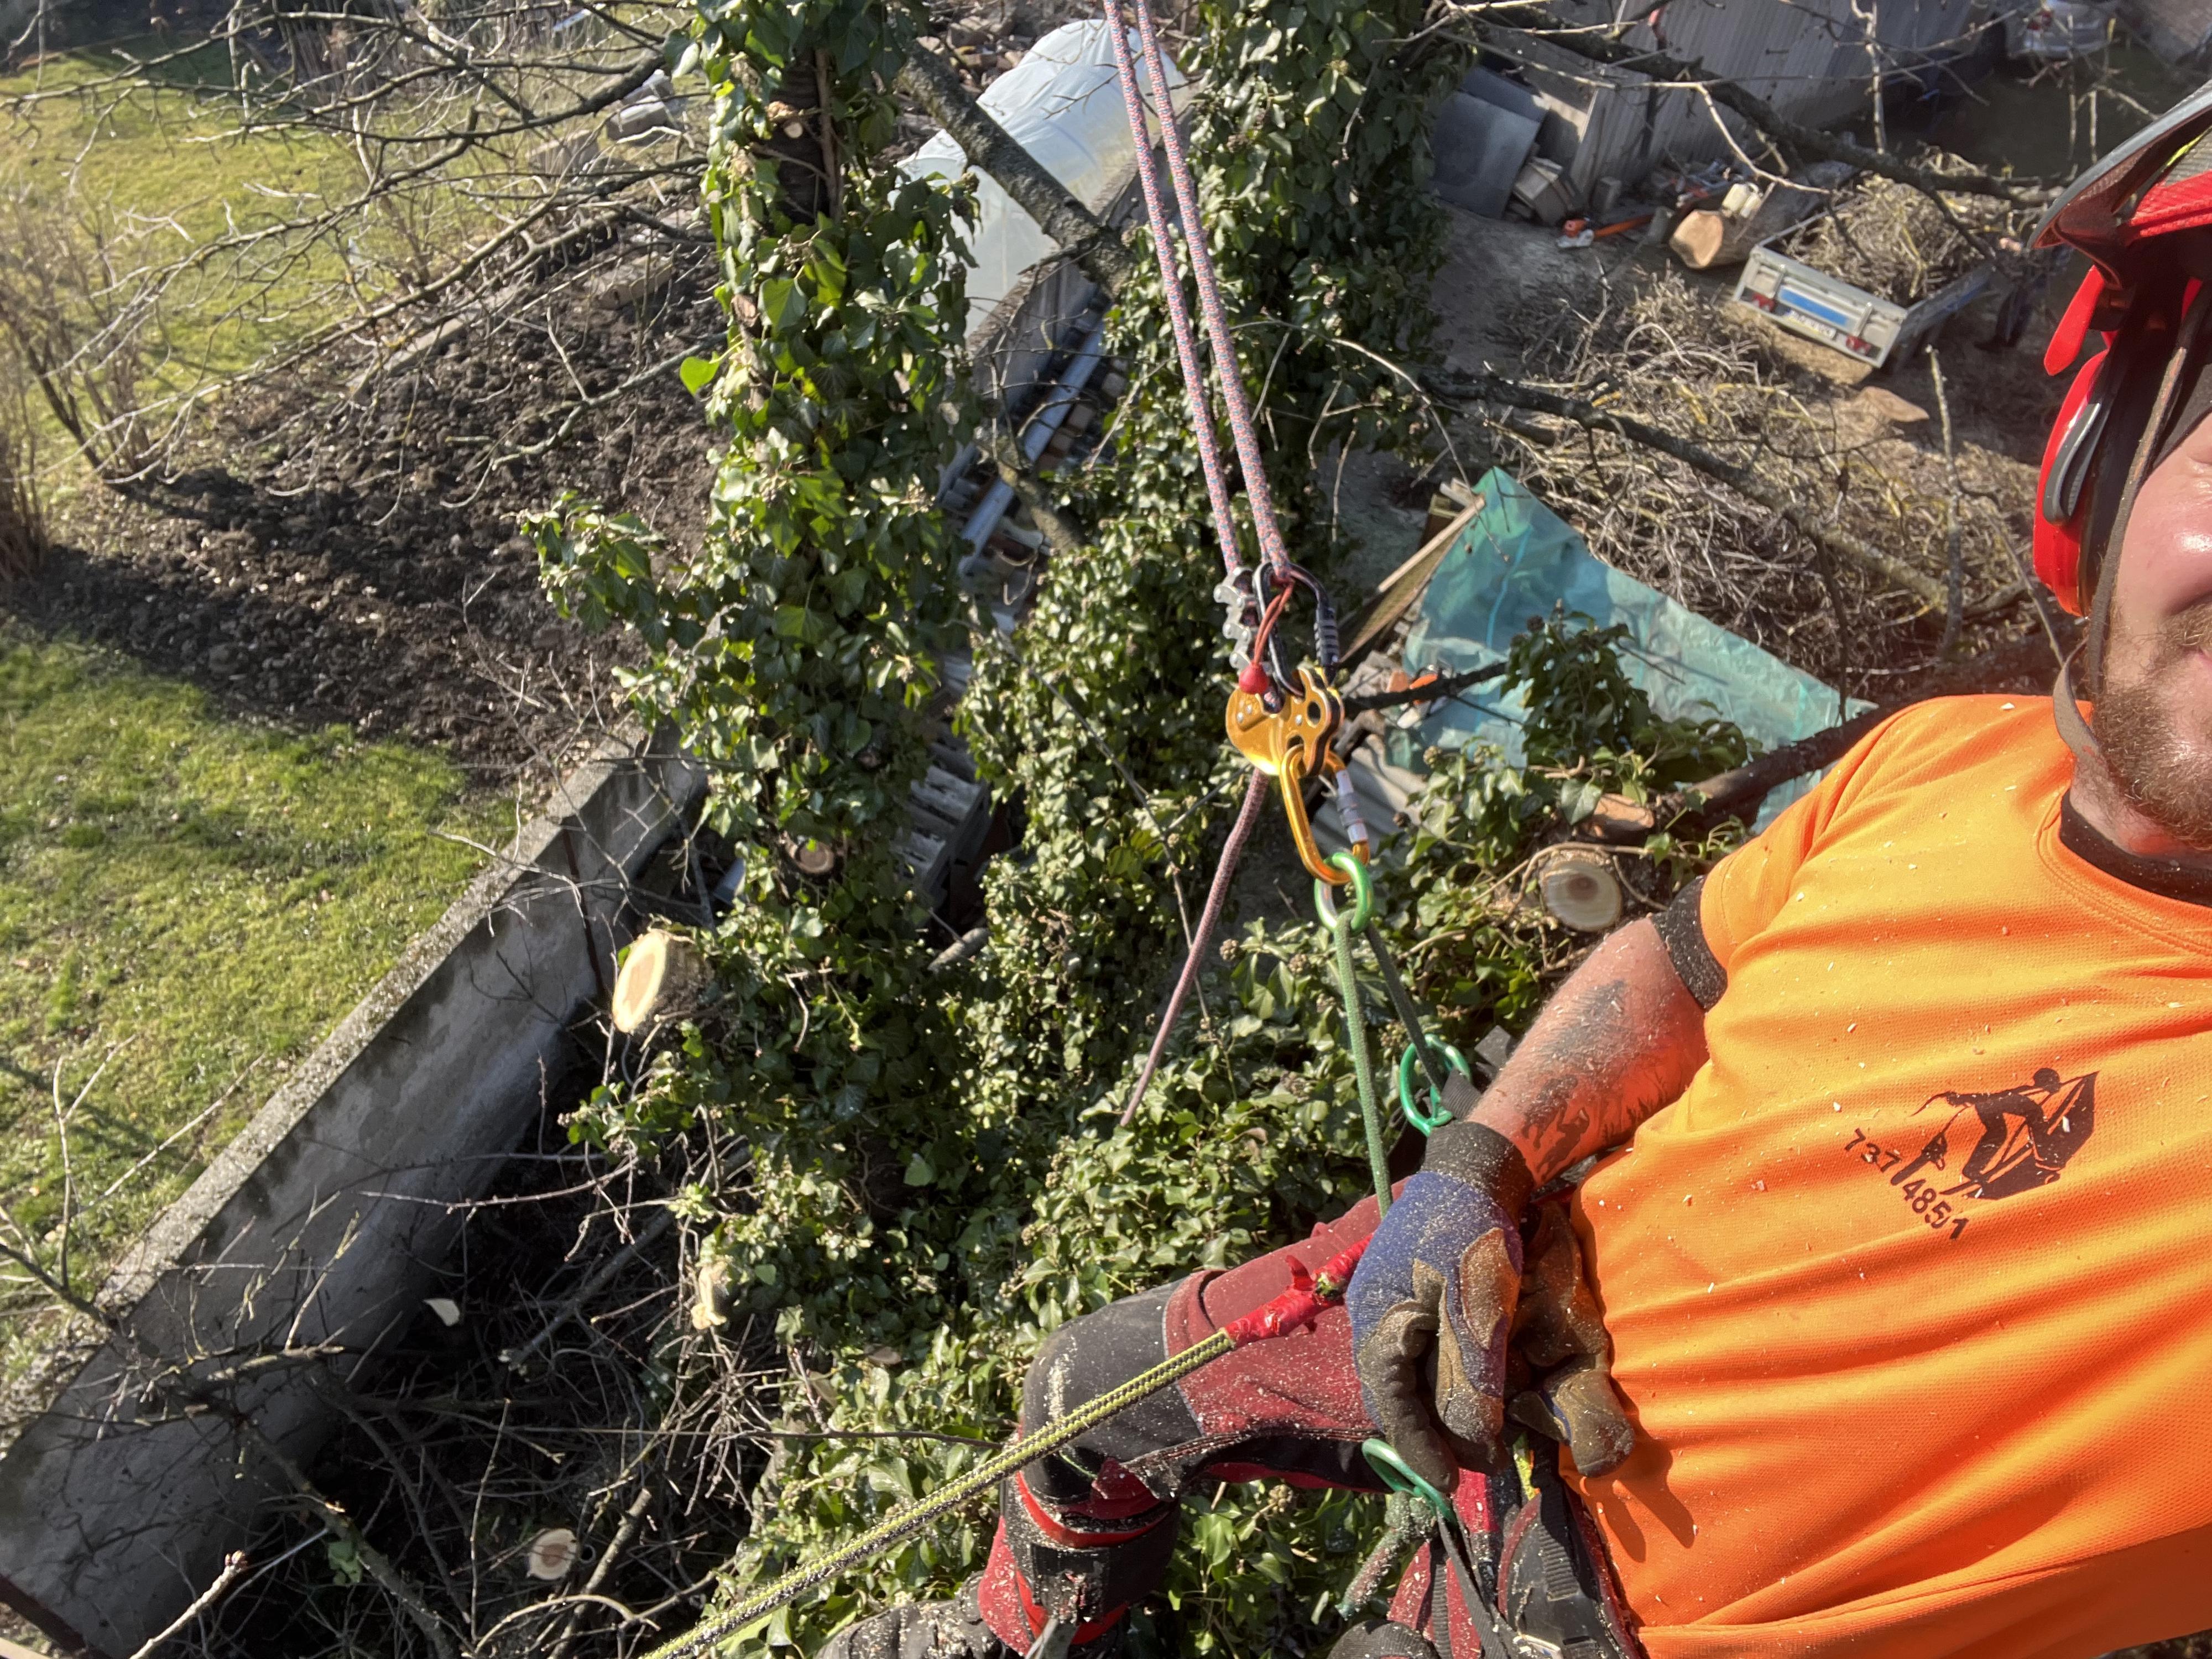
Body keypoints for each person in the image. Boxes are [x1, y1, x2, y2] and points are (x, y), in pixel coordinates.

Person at [819, 88, 2212, 1659]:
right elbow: (1679, 965)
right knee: (1091, 1401)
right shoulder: (1947, 758)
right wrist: (1482, 1167)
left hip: (1606, 1627)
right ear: (2106, 464)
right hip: (1525, 1295)